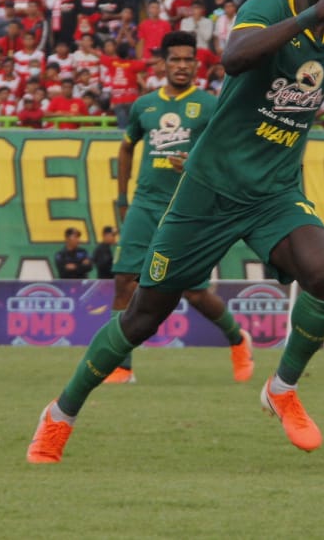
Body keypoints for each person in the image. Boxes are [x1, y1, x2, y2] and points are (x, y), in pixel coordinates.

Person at [28, 0, 324, 462]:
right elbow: (235, 58)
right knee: (142, 316)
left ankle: (281, 389)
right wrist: (316, 12)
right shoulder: (266, 8)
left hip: (274, 194)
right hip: (208, 192)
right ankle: (60, 415)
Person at [103, 30, 254, 385]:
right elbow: (126, 148)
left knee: (193, 291)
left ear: (197, 66)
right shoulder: (144, 106)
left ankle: (237, 339)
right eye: (176, 59)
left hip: (187, 208)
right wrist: (123, 199)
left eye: (189, 60)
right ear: (164, 63)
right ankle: (120, 366)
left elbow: (227, 152)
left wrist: (195, 165)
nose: (183, 65)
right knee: (125, 280)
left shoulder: (209, 105)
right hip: (144, 203)